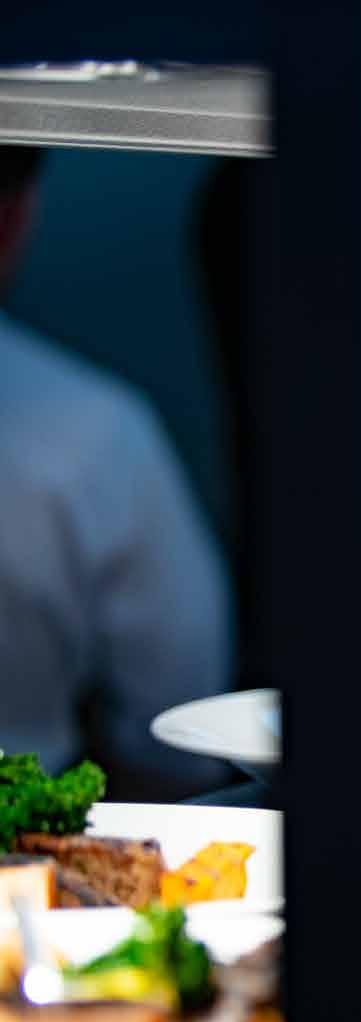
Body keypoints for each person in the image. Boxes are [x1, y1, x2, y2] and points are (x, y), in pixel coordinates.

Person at [0, 146, 233, 798]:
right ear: (16, 216)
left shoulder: (90, 432)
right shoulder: (91, 432)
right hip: (29, 834)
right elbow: (179, 726)